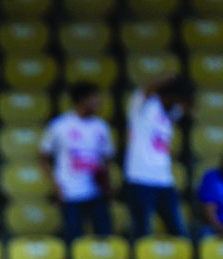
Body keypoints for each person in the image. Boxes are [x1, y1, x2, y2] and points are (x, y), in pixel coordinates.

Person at [41, 83, 114, 238]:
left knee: (105, 237)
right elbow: (43, 157)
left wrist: (106, 183)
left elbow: (106, 159)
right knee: (74, 242)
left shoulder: (101, 127)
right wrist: (55, 186)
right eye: (95, 98)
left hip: (96, 193)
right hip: (70, 193)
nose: (100, 102)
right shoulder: (60, 125)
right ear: (83, 99)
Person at [123, 77, 189, 238]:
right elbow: (145, 91)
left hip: (164, 180)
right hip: (140, 178)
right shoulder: (144, 106)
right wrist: (170, 78)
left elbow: (189, 105)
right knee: (142, 231)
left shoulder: (170, 115)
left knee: (179, 231)